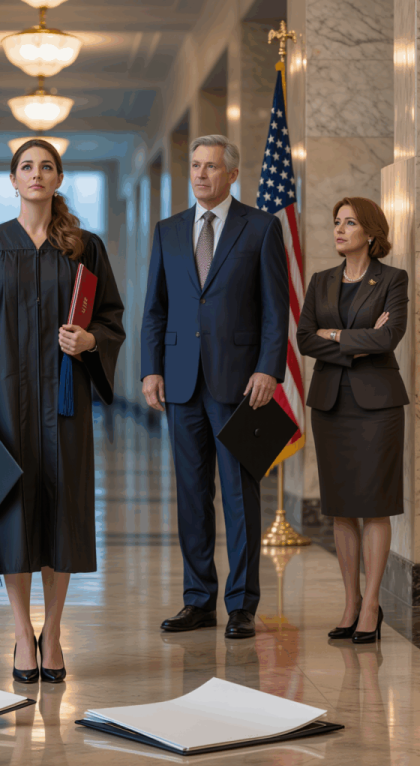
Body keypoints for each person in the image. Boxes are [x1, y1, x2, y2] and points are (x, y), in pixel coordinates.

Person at [0, 139, 125, 682]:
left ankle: (55, 632)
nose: (36, 174)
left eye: (46, 167)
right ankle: (22, 634)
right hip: (5, 399)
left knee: (62, 512)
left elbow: (110, 319)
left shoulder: (85, 248)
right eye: (26, 167)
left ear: (59, 178)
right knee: (12, 512)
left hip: (65, 400)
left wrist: (88, 342)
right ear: (12, 180)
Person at [141, 135, 289, 639]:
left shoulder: (262, 227)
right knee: (190, 493)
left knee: (239, 494)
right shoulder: (168, 230)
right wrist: (150, 369)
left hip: (241, 382)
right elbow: (155, 309)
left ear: (231, 174)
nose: (200, 174)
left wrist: (270, 368)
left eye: (211, 167)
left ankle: (242, 604)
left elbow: (275, 308)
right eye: (195, 166)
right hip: (181, 381)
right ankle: (198, 599)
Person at [297, 197, 407, 644]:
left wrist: (336, 335)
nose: (339, 229)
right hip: (331, 404)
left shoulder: (392, 279)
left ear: (371, 231)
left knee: (375, 505)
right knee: (341, 507)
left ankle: (372, 604)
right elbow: (305, 338)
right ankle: (349, 603)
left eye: (349, 222)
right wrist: (357, 341)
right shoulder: (321, 281)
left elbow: (388, 337)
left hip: (377, 405)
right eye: (336, 222)